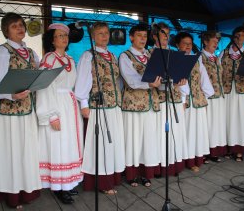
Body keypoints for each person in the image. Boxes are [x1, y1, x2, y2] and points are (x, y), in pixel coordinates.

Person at [0, 12, 41, 209]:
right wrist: (12, 95)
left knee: (25, 152)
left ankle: (26, 190)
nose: (20, 28)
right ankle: (11, 195)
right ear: (6, 31)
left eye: (21, 24)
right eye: (14, 26)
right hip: (7, 114)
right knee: (10, 153)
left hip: (26, 110)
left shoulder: (31, 52)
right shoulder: (1, 52)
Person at [75, 21, 125, 194]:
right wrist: (83, 104)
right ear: (93, 37)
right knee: (100, 143)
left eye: (106, 33)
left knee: (112, 143)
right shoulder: (88, 56)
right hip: (98, 107)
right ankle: (101, 182)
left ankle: (111, 176)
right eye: (100, 33)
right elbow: (82, 82)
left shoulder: (113, 55)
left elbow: (117, 80)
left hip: (114, 105)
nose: (104, 36)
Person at [36, 23, 83, 204]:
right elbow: (43, 88)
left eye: (65, 35)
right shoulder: (49, 59)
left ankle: (68, 182)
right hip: (56, 104)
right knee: (58, 144)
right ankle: (58, 186)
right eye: (60, 35)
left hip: (70, 105)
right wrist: (51, 115)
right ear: (52, 39)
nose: (64, 38)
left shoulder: (70, 59)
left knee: (69, 144)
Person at [119, 24, 161, 187]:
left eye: (145, 36)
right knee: (134, 140)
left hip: (151, 104)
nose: (143, 39)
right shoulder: (125, 56)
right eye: (139, 35)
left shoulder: (151, 55)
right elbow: (131, 80)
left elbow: (160, 76)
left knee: (148, 140)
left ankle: (145, 172)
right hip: (133, 105)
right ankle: (132, 174)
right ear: (131, 37)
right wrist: (149, 84)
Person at [149, 22, 189, 176]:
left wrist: (183, 91)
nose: (166, 37)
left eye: (167, 33)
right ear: (154, 36)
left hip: (175, 98)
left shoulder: (174, 54)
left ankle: (173, 165)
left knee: (175, 132)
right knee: (160, 133)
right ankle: (159, 166)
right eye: (162, 33)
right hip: (159, 100)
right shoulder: (150, 54)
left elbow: (182, 76)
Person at [175, 32, 214, 172]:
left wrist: (205, 97)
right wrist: (183, 99)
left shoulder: (197, 60)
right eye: (184, 43)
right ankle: (184, 160)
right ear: (177, 45)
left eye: (190, 44)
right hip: (182, 101)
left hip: (197, 100)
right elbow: (178, 82)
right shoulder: (175, 59)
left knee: (196, 132)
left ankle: (194, 159)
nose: (187, 46)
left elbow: (204, 79)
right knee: (185, 132)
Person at [220, 26, 244, 162]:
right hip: (228, 91)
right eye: (238, 35)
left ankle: (239, 149)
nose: (240, 38)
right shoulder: (223, 53)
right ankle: (228, 147)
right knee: (228, 119)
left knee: (241, 119)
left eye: (243, 35)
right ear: (233, 36)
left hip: (242, 92)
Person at [201, 31, 227, 162]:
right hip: (208, 97)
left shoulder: (216, 58)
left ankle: (214, 151)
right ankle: (205, 152)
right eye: (213, 42)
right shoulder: (200, 57)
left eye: (217, 43)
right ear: (205, 42)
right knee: (208, 124)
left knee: (216, 124)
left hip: (219, 95)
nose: (216, 44)